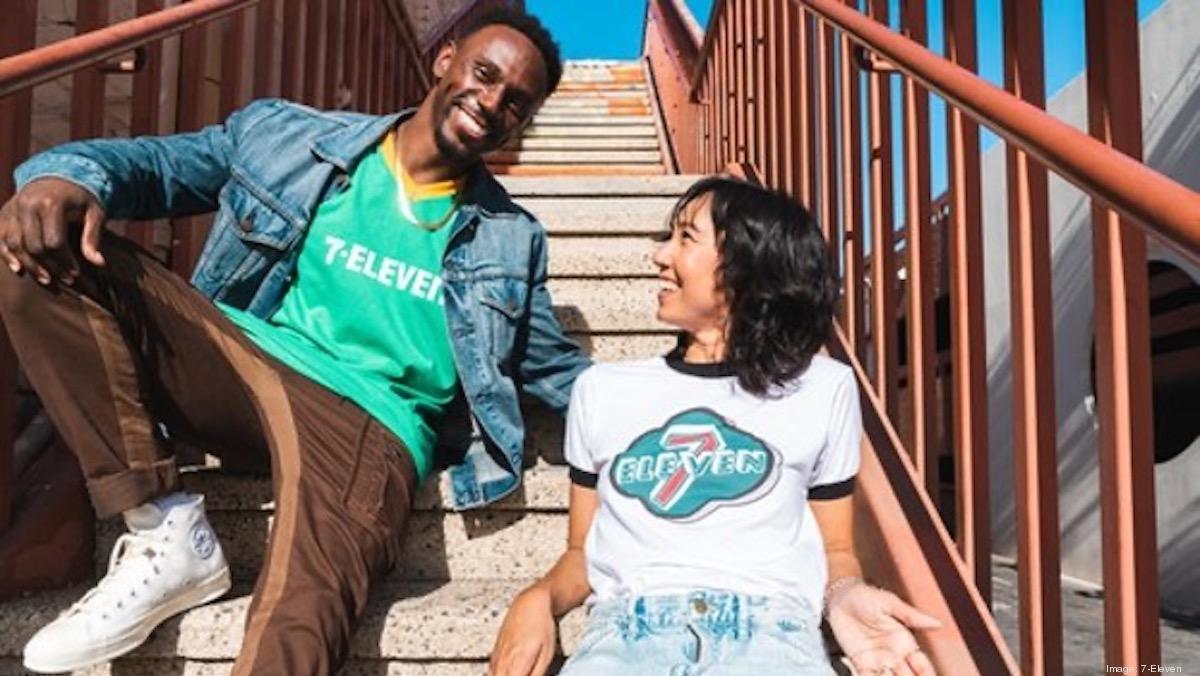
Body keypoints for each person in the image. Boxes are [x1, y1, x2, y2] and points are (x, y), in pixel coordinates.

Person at [0, 7, 588, 675]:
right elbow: (158, 166)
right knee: (35, 249)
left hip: (373, 420)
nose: (491, 103)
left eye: (516, 103)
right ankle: (161, 528)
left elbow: (557, 371)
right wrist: (66, 175)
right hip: (244, 365)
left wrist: (692, 394)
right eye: (484, 75)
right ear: (444, 59)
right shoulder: (287, 135)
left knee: (298, 617)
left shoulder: (512, 237)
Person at [489, 177, 942, 676]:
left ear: (748, 269)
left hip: (771, 635)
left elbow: (836, 548)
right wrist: (538, 597)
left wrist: (847, 596)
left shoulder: (824, 388)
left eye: (685, 238)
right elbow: (582, 550)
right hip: (627, 634)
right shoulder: (602, 389)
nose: (658, 256)